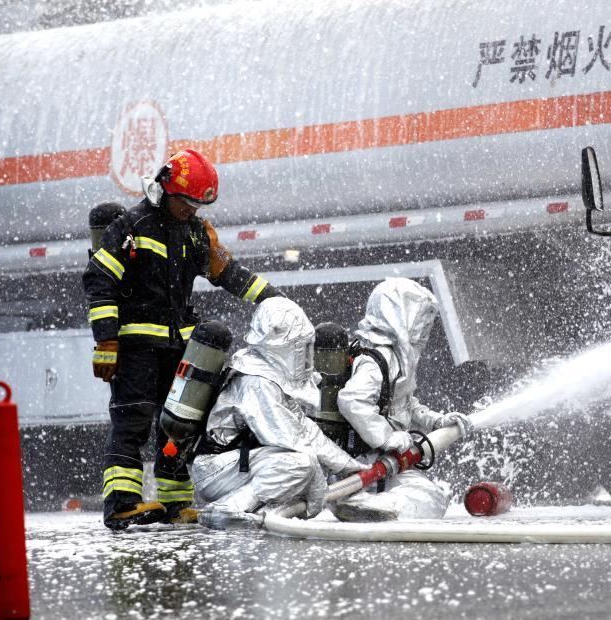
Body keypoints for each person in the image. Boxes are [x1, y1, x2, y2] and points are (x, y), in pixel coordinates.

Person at [82, 148, 282, 530]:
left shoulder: (195, 232)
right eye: (187, 202)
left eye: (198, 204)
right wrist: (106, 341)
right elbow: (99, 280)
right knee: (133, 421)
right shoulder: (133, 227)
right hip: (135, 348)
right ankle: (122, 505)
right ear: (165, 189)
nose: (192, 209)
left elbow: (230, 273)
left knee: (179, 425)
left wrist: (275, 301)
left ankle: (176, 504)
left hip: (177, 348)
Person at [191, 297, 365, 523]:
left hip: (238, 464)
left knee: (303, 465)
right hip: (215, 470)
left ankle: (258, 512)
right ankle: (225, 509)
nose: (305, 357)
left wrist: (350, 467)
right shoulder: (256, 381)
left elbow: (306, 431)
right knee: (300, 464)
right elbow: (291, 439)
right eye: (300, 347)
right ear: (282, 347)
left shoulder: (269, 375)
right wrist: (318, 488)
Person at [332, 278, 472, 522]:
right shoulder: (378, 358)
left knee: (434, 498)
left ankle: (370, 507)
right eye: (420, 319)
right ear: (399, 315)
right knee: (428, 498)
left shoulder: (398, 358)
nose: (424, 329)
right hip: (361, 465)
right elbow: (352, 401)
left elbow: (404, 404)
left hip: (386, 464)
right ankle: (362, 505)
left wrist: (437, 421)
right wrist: (387, 437)